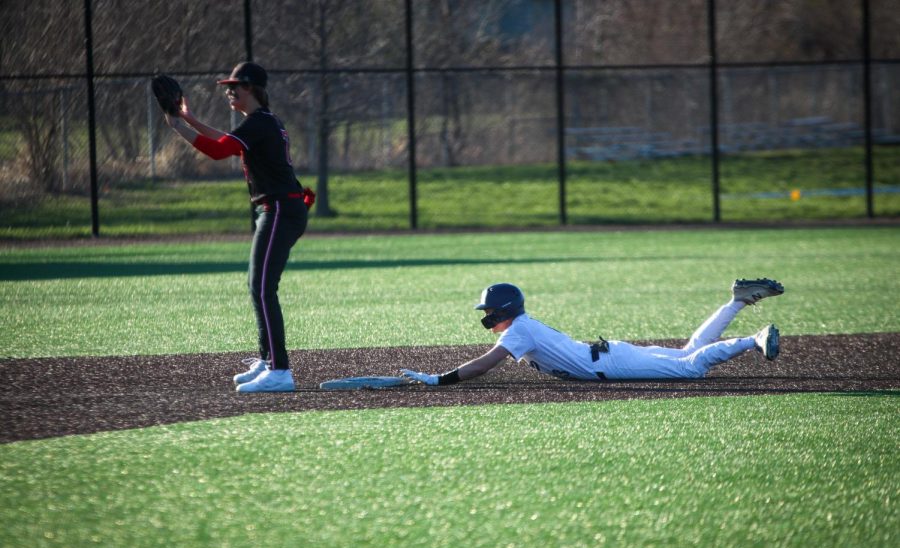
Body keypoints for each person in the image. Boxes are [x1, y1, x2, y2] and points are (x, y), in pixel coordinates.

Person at [165, 62, 312, 393]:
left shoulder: (259, 123)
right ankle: (269, 360)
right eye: (228, 86)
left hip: (278, 210)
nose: (230, 91)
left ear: (254, 90)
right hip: (279, 209)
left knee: (262, 288)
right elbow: (226, 140)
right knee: (257, 285)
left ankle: (280, 371)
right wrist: (187, 119)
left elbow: (218, 152)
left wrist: (176, 126)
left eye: (237, 86)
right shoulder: (259, 123)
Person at [401, 279, 784, 385]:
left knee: (691, 368)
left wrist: (440, 380)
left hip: (611, 365)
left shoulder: (517, 332)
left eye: (488, 313)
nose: (485, 319)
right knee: (688, 352)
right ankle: (736, 301)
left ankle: (753, 339)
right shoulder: (522, 326)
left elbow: (485, 365)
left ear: (502, 312)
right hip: (609, 355)